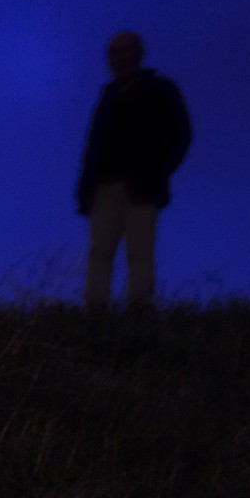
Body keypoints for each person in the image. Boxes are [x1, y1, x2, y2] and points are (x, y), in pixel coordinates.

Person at [76, 31, 192, 309]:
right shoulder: (109, 95)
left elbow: (181, 134)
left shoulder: (159, 89)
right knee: (100, 251)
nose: (118, 58)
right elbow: (94, 144)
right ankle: (96, 309)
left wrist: (158, 171)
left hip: (142, 187)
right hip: (106, 186)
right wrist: (86, 188)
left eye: (124, 51)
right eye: (113, 53)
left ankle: (139, 310)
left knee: (139, 252)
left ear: (138, 53)